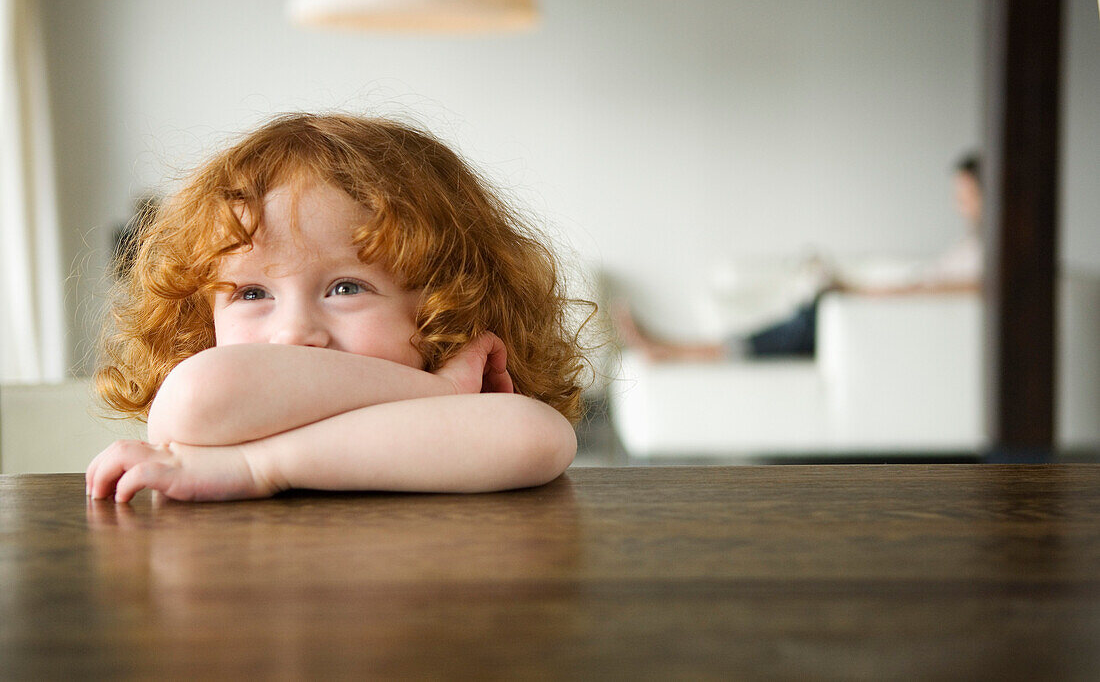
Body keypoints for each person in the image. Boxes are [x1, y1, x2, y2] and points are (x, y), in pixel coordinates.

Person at [86, 113, 586, 502]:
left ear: (444, 309)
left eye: (346, 288)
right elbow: (193, 399)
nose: (294, 333)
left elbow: (539, 439)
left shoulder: (460, 422)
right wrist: (432, 390)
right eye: (252, 294)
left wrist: (258, 467)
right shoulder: (206, 424)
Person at [614, 153, 983, 362]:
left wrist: (860, 293)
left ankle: (674, 349)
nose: (958, 204)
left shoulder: (991, 252)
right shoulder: (972, 244)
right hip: (879, 315)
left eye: (965, 194)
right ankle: (676, 347)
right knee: (802, 310)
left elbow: (937, 292)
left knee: (801, 324)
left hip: (885, 321)